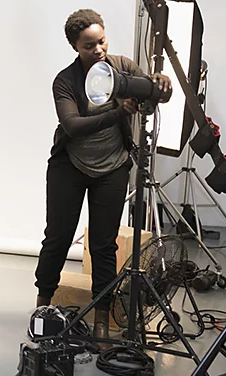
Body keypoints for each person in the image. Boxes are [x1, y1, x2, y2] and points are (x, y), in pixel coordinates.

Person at [33, 10, 171, 348]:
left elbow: (156, 97)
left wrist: (159, 84)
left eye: (102, 41)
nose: (98, 50)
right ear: (76, 47)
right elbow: (73, 125)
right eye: (89, 45)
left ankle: (101, 320)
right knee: (58, 238)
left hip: (112, 167)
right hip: (70, 165)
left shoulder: (123, 67)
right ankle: (42, 307)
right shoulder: (65, 81)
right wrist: (118, 112)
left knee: (104, 245)